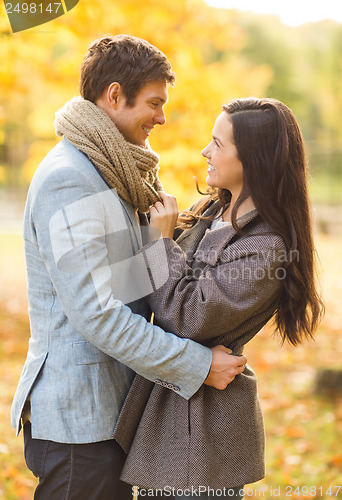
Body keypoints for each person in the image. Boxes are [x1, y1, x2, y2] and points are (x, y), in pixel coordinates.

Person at [10, 35, 247, 500]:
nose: (162, 117)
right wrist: (198, 365)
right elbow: (97, 313)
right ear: (114, 95)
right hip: (81, 425)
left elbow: (127, 288)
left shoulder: (112, 172)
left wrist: (161, 243)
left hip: (112, 417)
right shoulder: (69, 178)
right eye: (154, 103)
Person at [113, 97, 324, 499]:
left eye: (218, 143)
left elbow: (189, 316)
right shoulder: (211, 210)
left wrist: (160, 241)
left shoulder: (267, 246)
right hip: (170, 415)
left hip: (204, 433)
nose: (205, 151)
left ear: (253, 159)